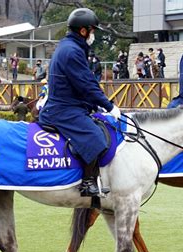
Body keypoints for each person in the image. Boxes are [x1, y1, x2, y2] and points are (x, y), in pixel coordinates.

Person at [38, 7, 121, 197]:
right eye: (92, 31)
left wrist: (97, 104)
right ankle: (87, 183)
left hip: (68, 105)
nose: (93, 35)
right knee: (96, 137)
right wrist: (109, 106)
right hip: (63, 110)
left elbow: (83, 83)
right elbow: (86, 84)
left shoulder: (71, 47)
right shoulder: (72, 51)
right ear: (83, 31)